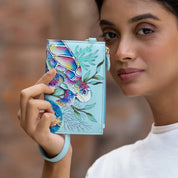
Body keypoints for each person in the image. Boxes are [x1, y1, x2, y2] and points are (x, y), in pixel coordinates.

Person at [18, 0, 178, 177]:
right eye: (110, 34)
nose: (121, 52)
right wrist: (57, 159)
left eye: (145, 30)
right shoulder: (108, 168)